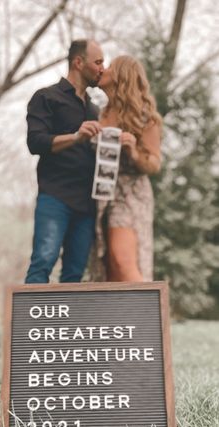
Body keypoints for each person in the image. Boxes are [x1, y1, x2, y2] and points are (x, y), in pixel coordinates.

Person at [25, 39, 104, 283]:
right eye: (98, 62)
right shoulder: (46, 97)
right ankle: (32, 322)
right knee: (42, 262)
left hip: (87, 205)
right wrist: (76, 136)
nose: (103, 68)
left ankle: (66, 323)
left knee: (74, 274)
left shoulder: (94, 109)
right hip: (55, 197)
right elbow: (35, 143)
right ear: (78, 63)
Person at [95, 55, 162, 282]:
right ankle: (122, 318)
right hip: (101, 194)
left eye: (110, 67)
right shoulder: (100, 113)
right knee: (110, 268)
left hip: (130, 196)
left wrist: (133, 151)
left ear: (121, 76)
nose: (103, 69)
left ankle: (151, 315)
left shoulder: (144, 116)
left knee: (124, 261)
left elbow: (154, 163)